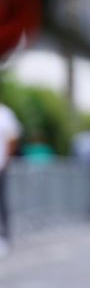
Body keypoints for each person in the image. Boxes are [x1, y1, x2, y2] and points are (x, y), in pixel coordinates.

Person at [0, 100, 20, 257]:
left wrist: (7, 159)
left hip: (1, 167)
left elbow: (12, 139)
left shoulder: (4, 113)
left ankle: (4, 237)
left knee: (2, 203)